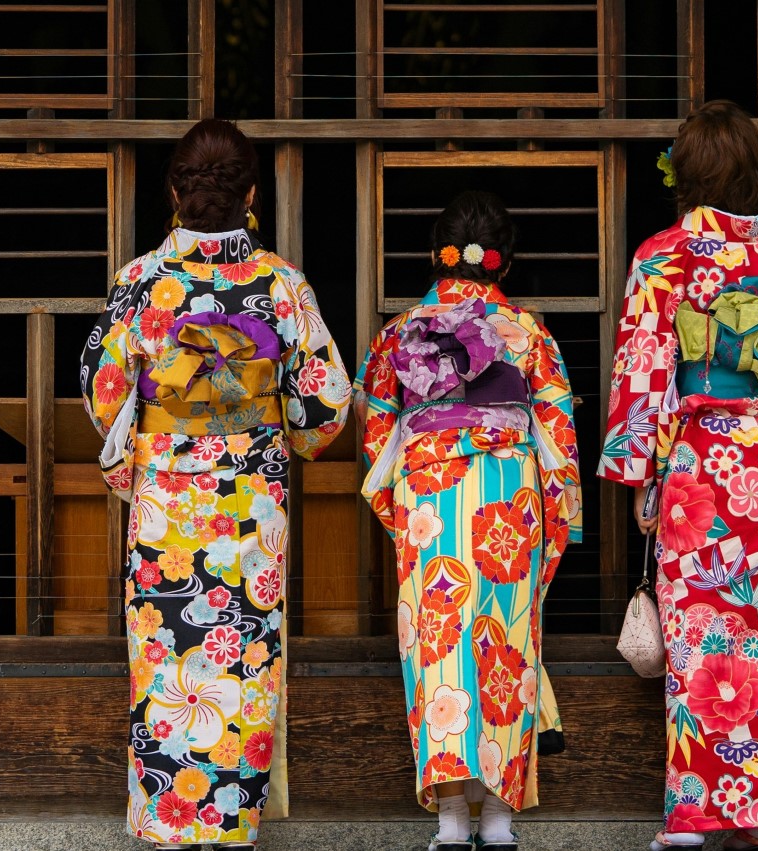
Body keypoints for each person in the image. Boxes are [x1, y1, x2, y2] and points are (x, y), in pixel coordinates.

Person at [81, 118, 351, 850]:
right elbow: (323, 408)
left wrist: (132, 459)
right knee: (242, 664)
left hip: (167, 507)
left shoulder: (139, 282)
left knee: (166, 664)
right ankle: (231, 824)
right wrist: (279, 426)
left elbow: (105, 392)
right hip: (247, 510)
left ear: (174, 191)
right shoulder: (280, 285)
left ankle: (167, 820)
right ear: (252, 194)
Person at [598, 100, 758, 851]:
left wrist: (641, 475)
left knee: (701, 634)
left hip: (705, 462)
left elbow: (643, 370)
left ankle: (697, 813)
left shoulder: (663, 255)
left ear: (686, 174)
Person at [358, 191, 583, 851]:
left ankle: (451, 822)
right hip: (508, 496)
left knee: (438, 646)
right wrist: (555, 512)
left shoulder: (401, 333)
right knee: (505, 643)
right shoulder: (528, 332)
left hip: (429, 497)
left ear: (437, 256)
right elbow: (560, 435)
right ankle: (501, 820)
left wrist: (400, 506)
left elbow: (377, 432)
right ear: (502, 264)